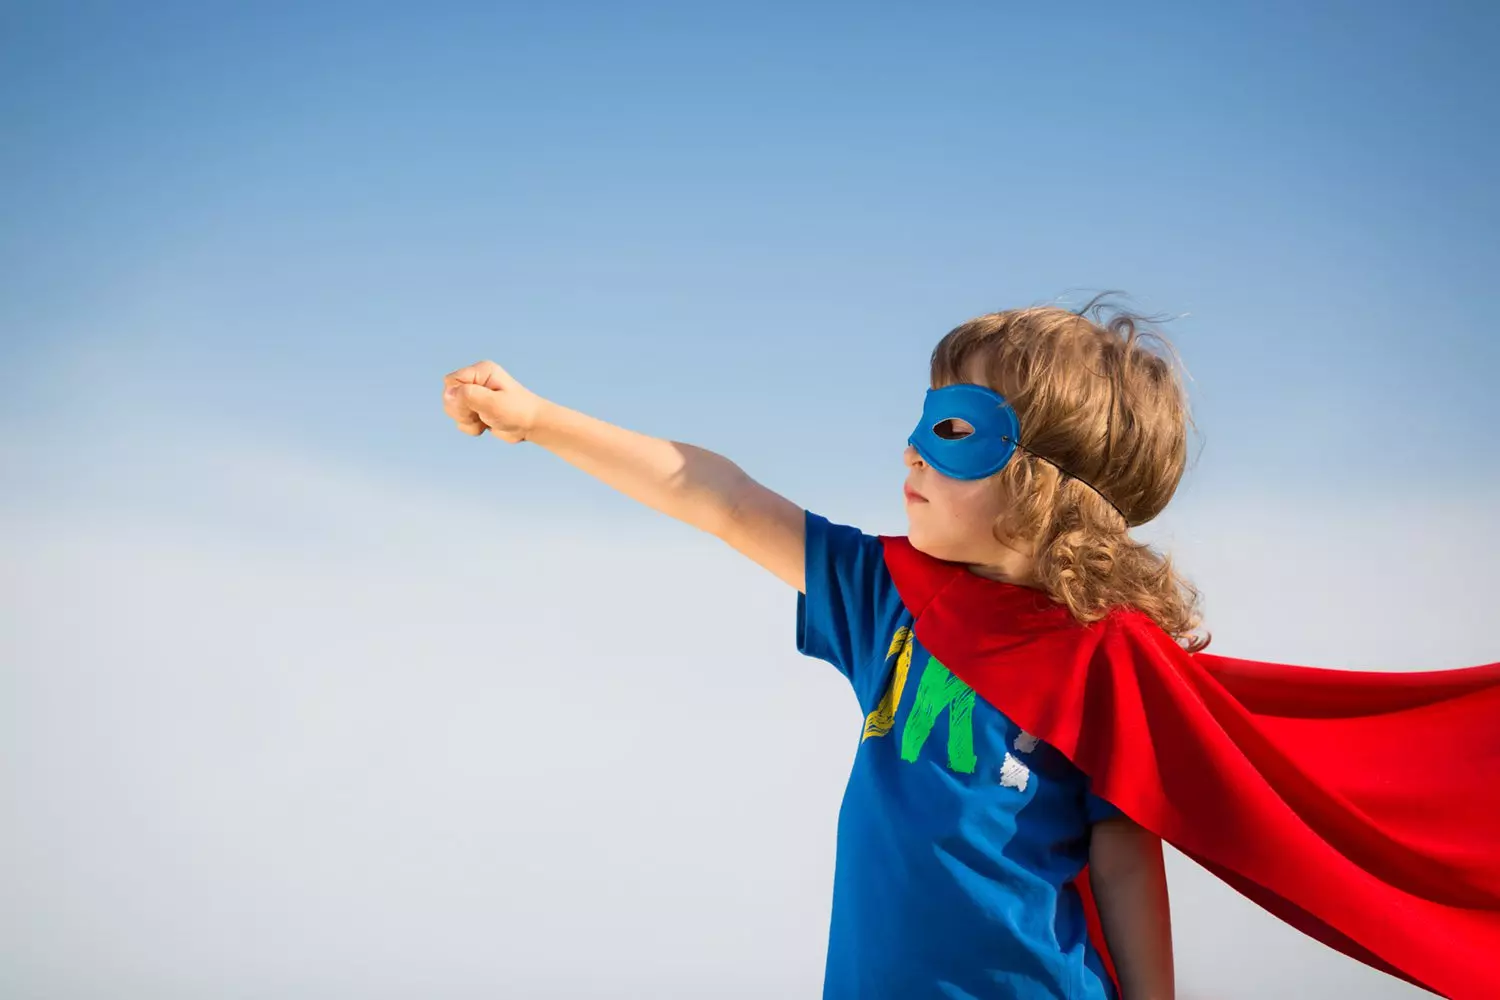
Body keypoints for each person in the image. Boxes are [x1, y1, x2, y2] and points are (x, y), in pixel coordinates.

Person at [441, 300, 1500, 1000]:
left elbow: (1125, 857)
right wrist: (539, 419)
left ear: (1039, 481)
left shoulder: (1102, 658)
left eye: (952, 431)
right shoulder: (887, 598)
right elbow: (715, 497)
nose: (910, 447)